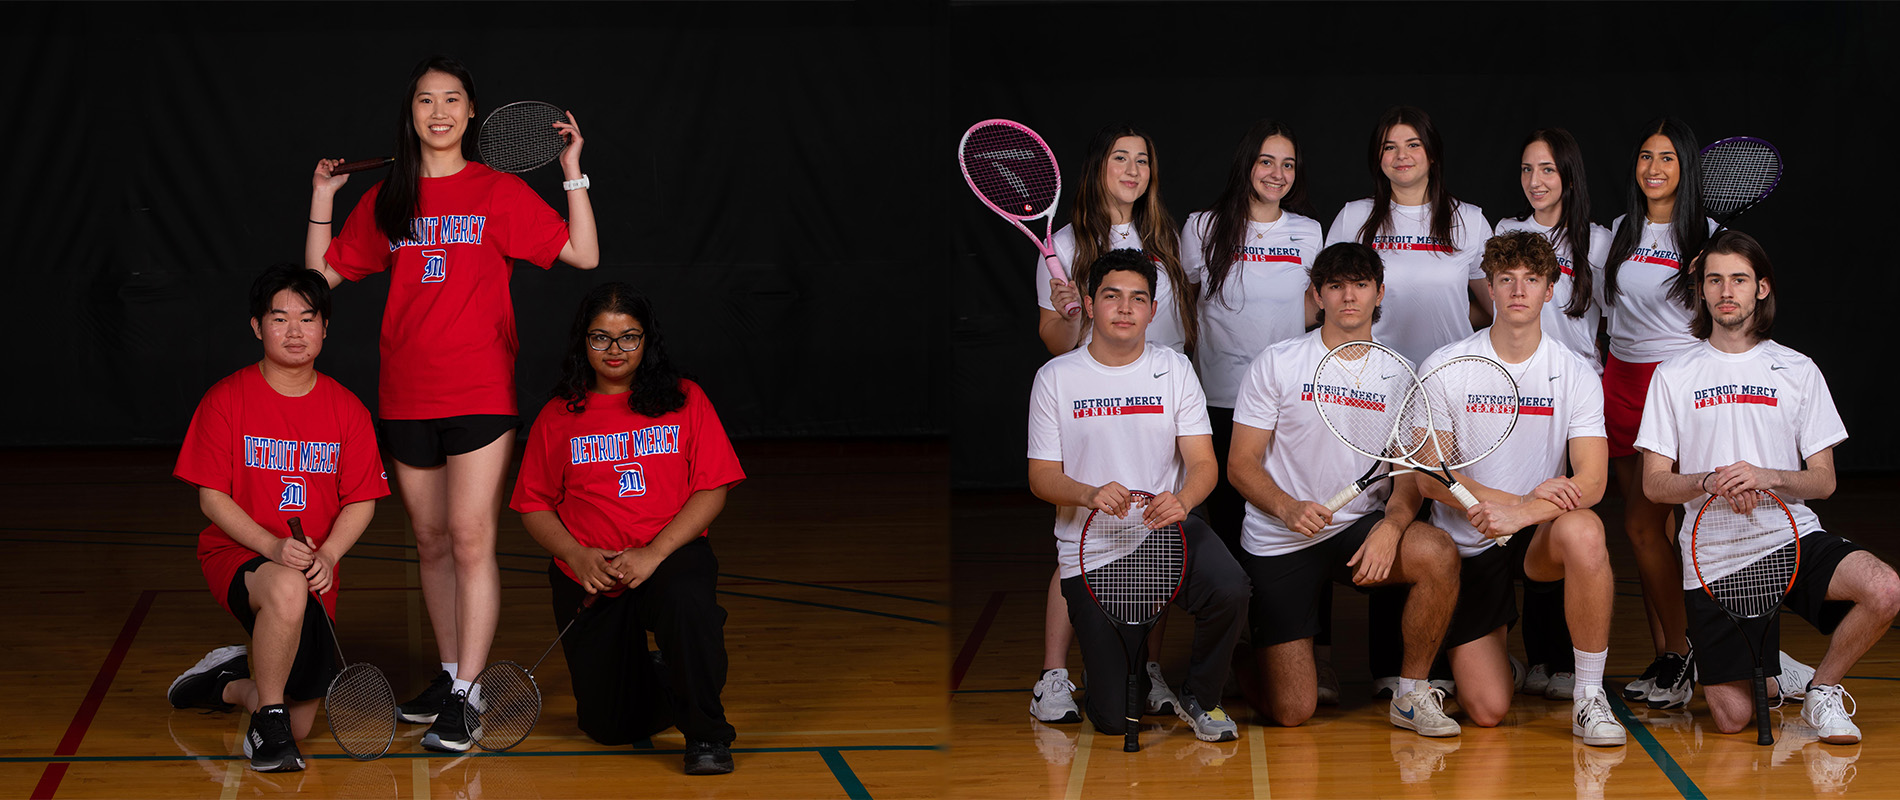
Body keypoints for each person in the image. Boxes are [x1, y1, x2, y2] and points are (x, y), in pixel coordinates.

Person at [302, 55, 599, 752]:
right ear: (412, 115)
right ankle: (448, 672)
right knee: (431, 544)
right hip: (405, 393)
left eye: (453, 99)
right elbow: (319, 277)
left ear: (471, 113)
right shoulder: (392, 198)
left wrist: (572, 169)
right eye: (426, 101)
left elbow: (583, 252)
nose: (439, 111)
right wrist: (323, 196)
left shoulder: (494, 190)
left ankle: (466, 698)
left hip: (479, 392)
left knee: (470, 539)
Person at [1636, 231, 1898, 744]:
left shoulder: (1798, 370)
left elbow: (1823, 482)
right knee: (1733, 720)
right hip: (1715, 559)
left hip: (1789, 536)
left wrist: (1768, 475)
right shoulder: (1673, 374)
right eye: (1714, 279)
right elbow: (1653, 484)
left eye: (1738, 278)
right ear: (1702, 289)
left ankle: (1821, 692)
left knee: (1885, 588)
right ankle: (1773, 669)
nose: (1725, 290)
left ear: (1762, 288)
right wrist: (1709, 481)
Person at [1226, 241, 1462, 737]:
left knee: (1437, 551)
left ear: (1379, 294)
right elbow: (1240, 465)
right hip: (1281, 539)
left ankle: (1411, 694)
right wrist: (1287, 507)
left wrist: (1394, 525)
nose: (1348, 297)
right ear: (1317, 295)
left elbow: (1406, 475)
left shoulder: (1400, 374)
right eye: (1335, 286)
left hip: (1356, 531)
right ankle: (1246, 656)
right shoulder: (1279, 362)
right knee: (1293, 710)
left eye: (1359, 285)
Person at [511, 283, 745, 774]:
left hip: (668, 555)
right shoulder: (560, 415)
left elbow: (713, 488)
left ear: (647, 340)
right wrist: (576, 556)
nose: (614, 351)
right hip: (591, 569)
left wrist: (655, 553)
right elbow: (533, 505)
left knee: (687, 606)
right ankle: (667, 672)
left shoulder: (685, 398)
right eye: (601, 338)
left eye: (628, 338)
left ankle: (707, 736)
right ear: (583, 342)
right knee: (609, 726)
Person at [167, 265, 389, 772]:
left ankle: (230, 683)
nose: (294, 331)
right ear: (255, 326)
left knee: (303, 724)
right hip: (241, 554)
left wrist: (330, 553)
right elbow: (211, 498)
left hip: (313, 565)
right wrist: (271, 546)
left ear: (325, 327)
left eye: (308, 319)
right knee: (286, 587)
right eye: (280, 318)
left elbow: (362, 500)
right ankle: (266, 726)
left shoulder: (347, 410)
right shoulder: (226, 399)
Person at [1409, 231, 1625, 746]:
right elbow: (1429, 476)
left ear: (1550, 289)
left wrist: (1525, 516)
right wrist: (1512, 504)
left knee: (1586, 531)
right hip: (1470, 537)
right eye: (1506, 280)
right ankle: (1495, 654)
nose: (1518, 291)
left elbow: (1592, 480)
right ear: (1490, 287)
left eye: (1532, 279)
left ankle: (1590, 696)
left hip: (1537, 538)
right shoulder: (1444, 365)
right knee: (1487, 710)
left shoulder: (1574, 373)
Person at [1027, 248, 1249, 743]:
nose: (1125, 308)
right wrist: (1088, 493)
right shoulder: (1056, 378)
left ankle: (1201, 695)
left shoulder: (1173, 369)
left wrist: (1185, 500)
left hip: (1163, 534)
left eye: (1137, 299)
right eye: (1112, 296)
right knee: (1110, 720)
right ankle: (1104, 675)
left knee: (1232, 587)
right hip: (1092, 554)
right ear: (1089, 305)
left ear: (1151, 310)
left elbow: (1204, 464)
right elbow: (1041, 476)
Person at [1030, 123, 1193, 725]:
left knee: (1157, 537)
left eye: (1143, 160)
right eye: (1120, 158)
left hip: (1161, 394)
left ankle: (1147, 671)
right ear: (1098, 168)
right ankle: (1051, 676)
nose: (1132, 169)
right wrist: (1071, 313)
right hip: (1096, 398)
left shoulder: (1163, 237)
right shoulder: (1066, 243)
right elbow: (1054, 341)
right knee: (1081, 536)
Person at [1179, 119, 1337, 701]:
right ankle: (1241, 650)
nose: (1277, 174)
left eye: (1288, 164)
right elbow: (1187, 306)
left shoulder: (1309, 231)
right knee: (1228, 529)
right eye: (1267, 161)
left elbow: (1313, 309)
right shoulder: (1203, 227)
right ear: (1247, 164)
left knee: (1306, 522)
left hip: (1293, 403)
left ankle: (1314, 655)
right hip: (1221, 400)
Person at [1491, 128, 1613, 699]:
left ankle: (1557, 660)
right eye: (1526, 171)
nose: (1536, 182)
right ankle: (1516, 651)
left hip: (1573, 394)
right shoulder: (1506, 234)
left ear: (1568, 176)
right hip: (1516, 388)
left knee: (1558, 515)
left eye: (1547, 171)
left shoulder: (1599, 240)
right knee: (1515, 512)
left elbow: (1625, 311)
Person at [1600, 117, 1714, 711]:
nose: (1653, 168)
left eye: (1666, 158)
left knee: (1652, 529)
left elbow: (1732, 315)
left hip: (1673, 390)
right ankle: (1670, 655)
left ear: (1685, 167)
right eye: (1645, 156)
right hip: (1618, 381)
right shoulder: (1621, 230)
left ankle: (1688, 652)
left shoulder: (1708, 236)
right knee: (1648, 534)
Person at [1325, 106, 1491, 367]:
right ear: (1378, 157)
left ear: (1433, 154)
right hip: (1371, 375)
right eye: (1389, 147)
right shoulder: (1353, 217)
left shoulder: (1469, 220)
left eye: (1413, 145)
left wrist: (1449, 313)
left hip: (1451, 374)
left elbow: (1496, 307)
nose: (1401, 155)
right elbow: (1327, 300)